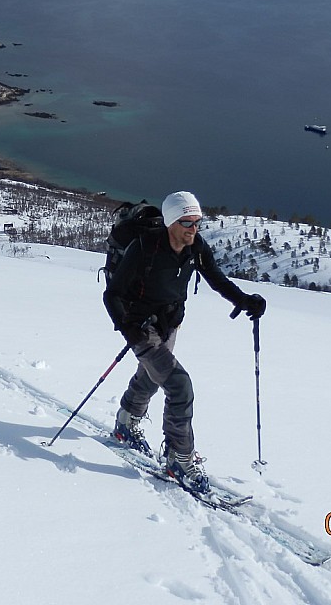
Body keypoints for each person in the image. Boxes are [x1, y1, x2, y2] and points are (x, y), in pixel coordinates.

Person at [103, 191, 266, 491]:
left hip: (170, 322)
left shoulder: (196, 248)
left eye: (197, 222)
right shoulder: (144, 248)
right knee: (179, 386)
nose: (194, 229)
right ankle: (179, 458)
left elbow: (217, 279)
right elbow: (112, 294)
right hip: (141, 326)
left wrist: (246, 301)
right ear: (170, 222)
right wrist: (128, 327)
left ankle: (126, 420)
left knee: (152, 377)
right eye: (187, 223)